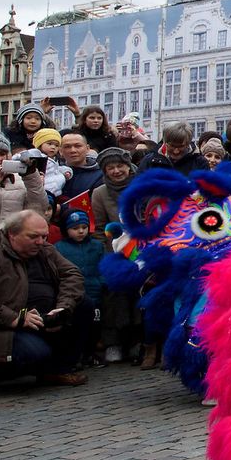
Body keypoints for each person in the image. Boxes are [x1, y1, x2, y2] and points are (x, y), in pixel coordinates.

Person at [0, 210, 86, 392]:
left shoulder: (45, 250)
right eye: (33, 237)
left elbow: (72, 274)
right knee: (35, 353)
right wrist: (14, 318)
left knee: (84, 306)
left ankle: (56, 369)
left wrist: (62, 308)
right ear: (12, 234)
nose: (40, 242)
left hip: (38, 319)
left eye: (44, 236)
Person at [90, 147, 140, 364]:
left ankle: (138, 340)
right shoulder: (99, 193)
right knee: (113, 295)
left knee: (140, 293)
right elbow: (100, 228)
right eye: (111, 168)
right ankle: (114, 341)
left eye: (120, 166)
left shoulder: (140, 187)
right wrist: (109, 254)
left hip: (140, 247)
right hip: (114, 250)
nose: (117, 171)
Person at [54, 209, 105, 365]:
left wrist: (102, 282)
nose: (81, 231)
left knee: (95, 326)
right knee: (76, 326)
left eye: (84, 227)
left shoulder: (96, 246)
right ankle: (77, 354)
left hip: (95, 291)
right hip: (74, 295)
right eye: (75, 228)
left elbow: (104, 265)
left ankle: (92, 353)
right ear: (66, 229)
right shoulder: (59, 248)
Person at [139, 123, 211, 176]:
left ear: (188, 143)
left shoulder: (199, 163)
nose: (176, 151)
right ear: (165, 142)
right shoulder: (150, 161)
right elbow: (137, 189)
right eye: (172, 146)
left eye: (181, 146)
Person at [57, 131, 102, 209]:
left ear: (87, 149)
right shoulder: (54, 173)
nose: (73, 150)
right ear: (60, 151)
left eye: (78, 146)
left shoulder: (100, 175)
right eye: (67, 147)